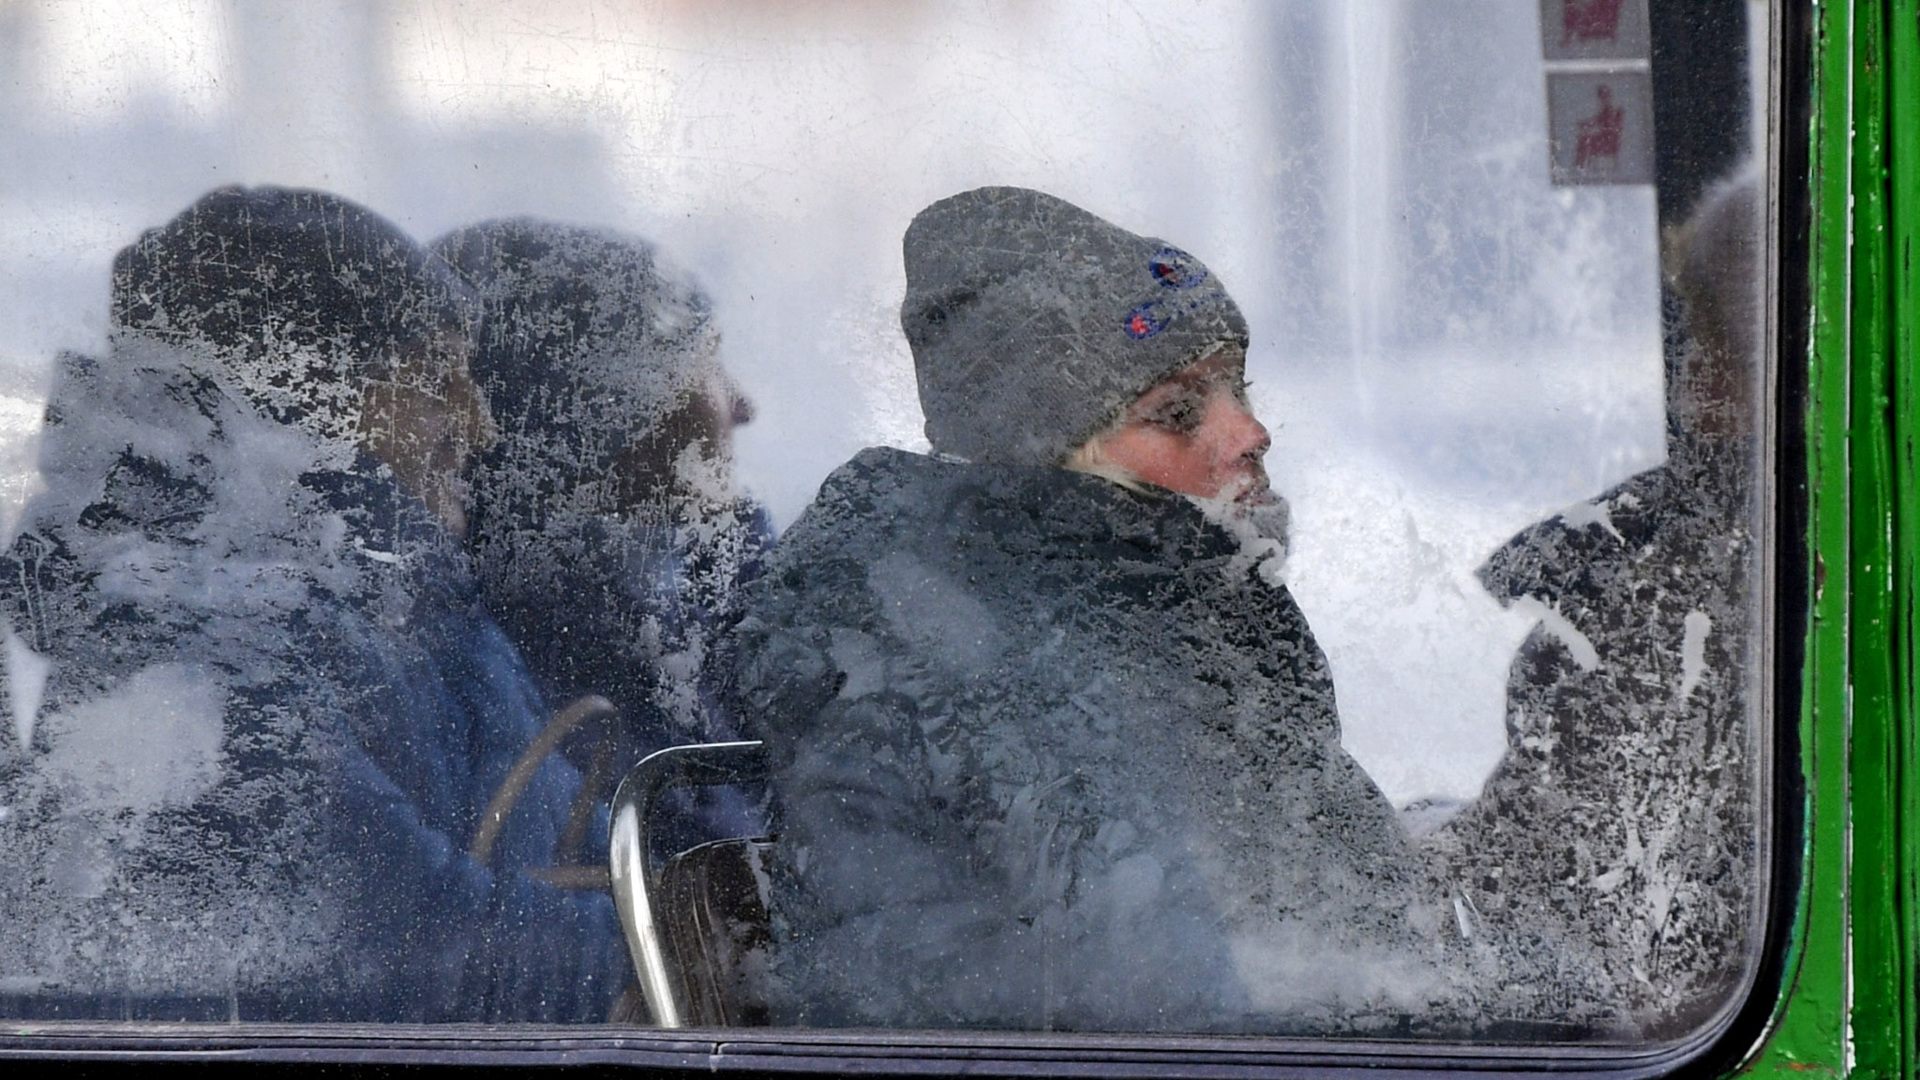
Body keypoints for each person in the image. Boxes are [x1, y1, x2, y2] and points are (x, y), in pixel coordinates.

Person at [730, 187, 1444, 1033]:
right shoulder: (970, 668)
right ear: (1051, 466)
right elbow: (1149, 990)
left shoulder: (1189, 627)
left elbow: (1364, 914)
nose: (1250, 431)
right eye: (1178, 413)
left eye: (1236, 388)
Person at [0, 187, 627, 1022]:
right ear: (309, 402)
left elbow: (562, 843)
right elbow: (399, 946)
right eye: (438, 382)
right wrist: (690, 948)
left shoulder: (400, 612)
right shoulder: (199, 656)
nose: (478, 428)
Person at [1423, 171, 1764, 1038]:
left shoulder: (1670, 605)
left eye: (1707, 343)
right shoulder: (1701, 567)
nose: (1689, 381)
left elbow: (1569, 910)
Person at [432, 219, 773, 857]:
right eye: (707, 362)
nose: (744, 405)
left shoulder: (698, 591)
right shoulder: (537, 680)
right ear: (610, 411)